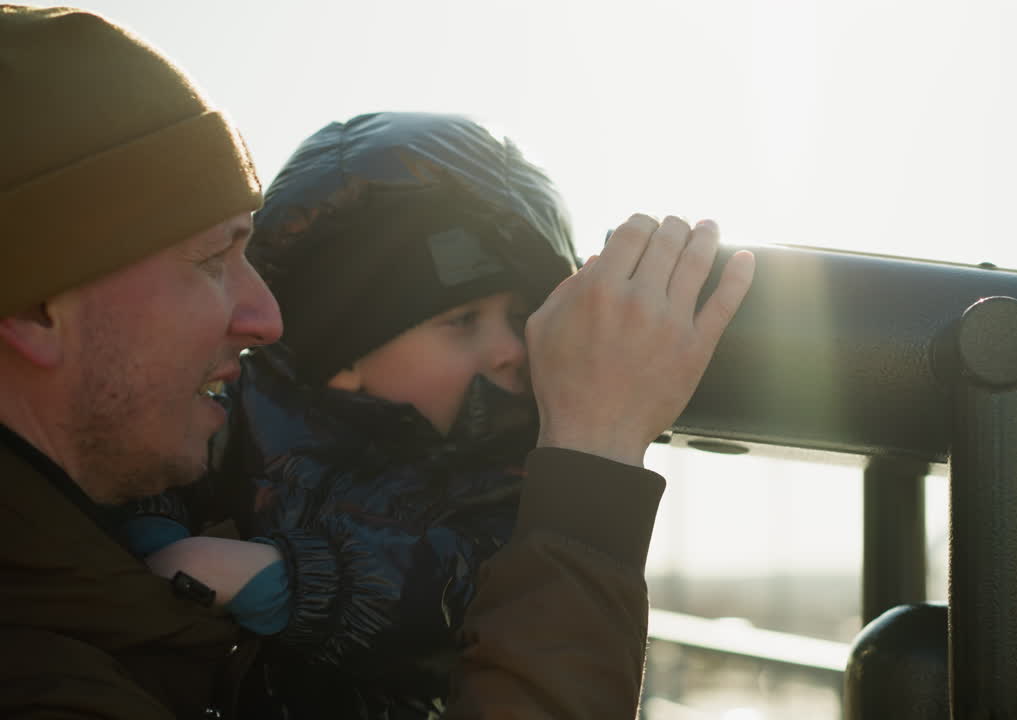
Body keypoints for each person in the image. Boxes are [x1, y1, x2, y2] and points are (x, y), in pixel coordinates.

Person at [0, 6, 755, 720]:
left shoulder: (80, 563)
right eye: (209, 261)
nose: (267, 319)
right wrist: (592, 460)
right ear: (39, 306)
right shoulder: (44, 674)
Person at [128, 111, 627, 718]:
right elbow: (141, 452)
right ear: (346, 355)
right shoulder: (231, 411)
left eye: (518, 318)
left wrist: (299, 579)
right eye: (462, 322)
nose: (511, 350)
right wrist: (147, 524)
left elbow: (468, 578)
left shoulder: (503, 475)